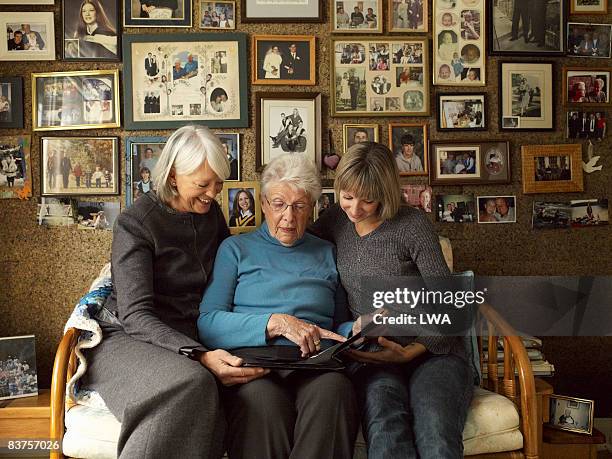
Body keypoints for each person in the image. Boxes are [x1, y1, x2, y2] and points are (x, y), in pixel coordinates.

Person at [80, 125, 266, 459]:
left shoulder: (211, 215)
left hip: (193, 335)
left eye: (218, 183)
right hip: (128, 338)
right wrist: (198, 354)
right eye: (203, 183)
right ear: (173, 176)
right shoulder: (136, 222)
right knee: (194, 381)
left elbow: (227, 280)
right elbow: (135, 315)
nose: (213, 193)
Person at [311, 142, 473, 459]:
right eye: (347, 196)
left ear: (384, 194)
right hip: (373, 354)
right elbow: (296, 247)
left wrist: (412, 350)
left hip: (433, 351)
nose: (355, 209)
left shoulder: (412, 226)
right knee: (386, 428)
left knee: (435, 430)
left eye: (368, 200)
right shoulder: (334, 220)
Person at [198, 153, 359, 459]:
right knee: (262, 404)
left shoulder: (327, 252)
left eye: (299, 206)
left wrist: (358, 328)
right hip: (257, 364)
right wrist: (274, 323)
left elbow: (339, 324)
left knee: (335, 392)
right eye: (279, 204)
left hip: (315, 363)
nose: (289, 217)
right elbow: (207, 322)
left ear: (311, 208)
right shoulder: (235, 249)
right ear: (262, 203)